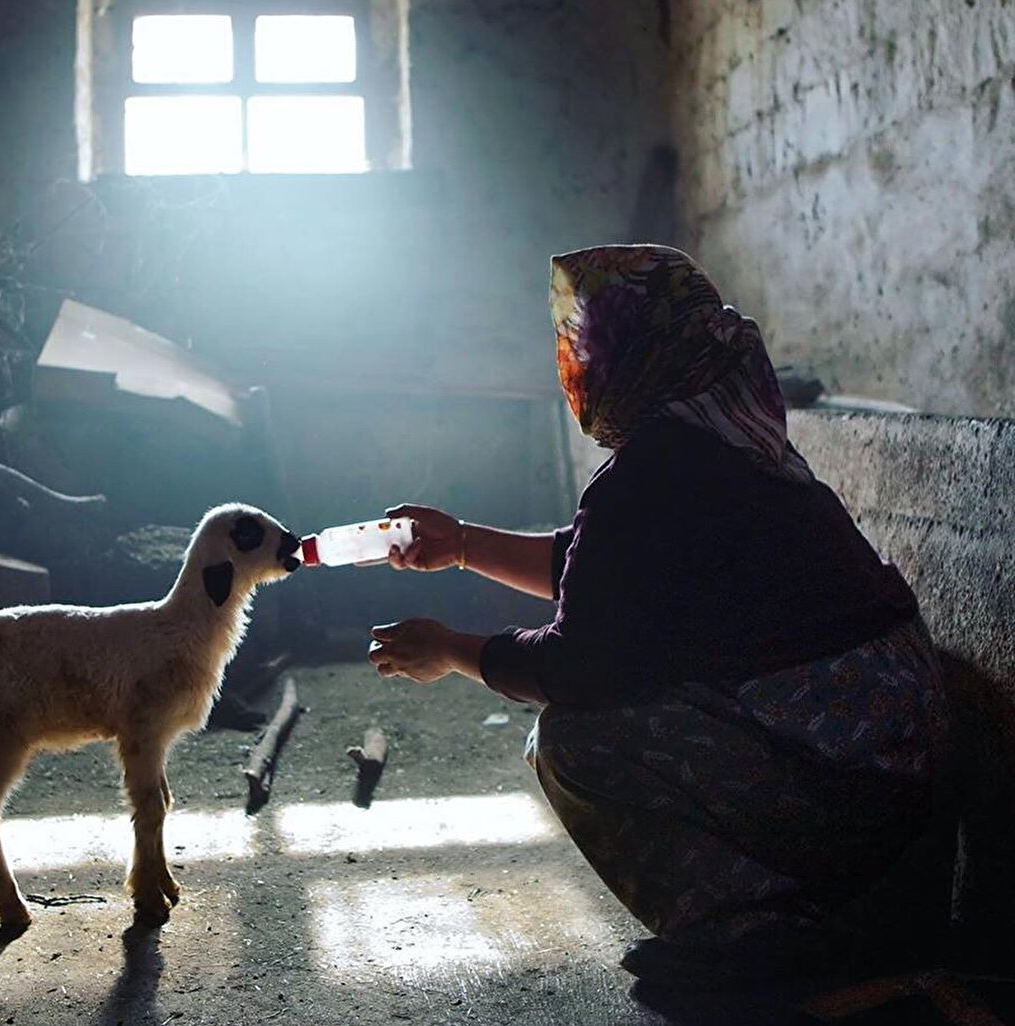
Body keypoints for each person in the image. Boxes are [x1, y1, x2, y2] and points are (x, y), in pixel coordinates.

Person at [367, 244, 954, 986]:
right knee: (621, 704)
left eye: (589, 341)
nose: (575, 359)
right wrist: (459, 545)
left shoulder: (658, 469)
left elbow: (576, 665)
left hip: (853, 786)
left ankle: (757, 934)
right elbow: (609, 569)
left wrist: (450, 649)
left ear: (632, 350)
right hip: (892, 759)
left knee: (574, 738)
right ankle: (799, 909)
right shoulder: (721, 431)